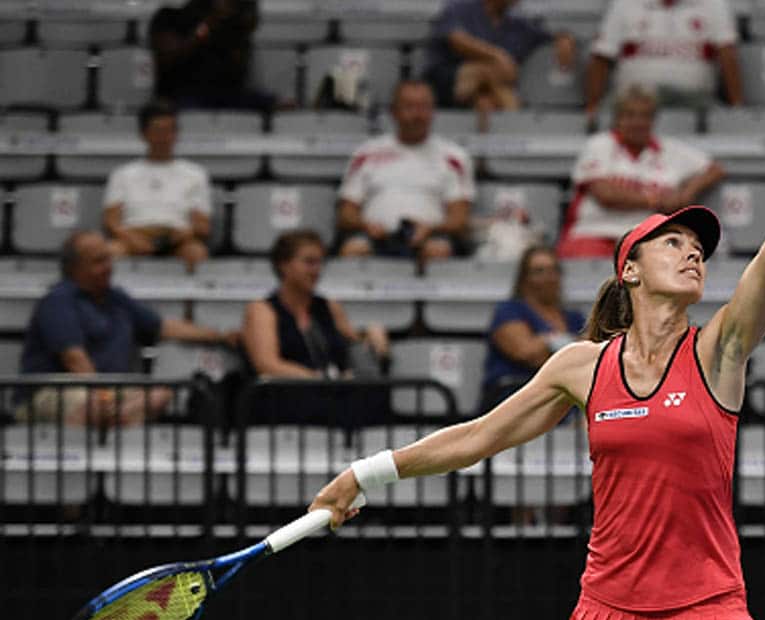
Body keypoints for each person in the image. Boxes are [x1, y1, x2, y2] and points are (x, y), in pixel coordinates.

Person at [309, 98, 765, 620]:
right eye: (672, 243)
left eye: (698, 249)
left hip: (708, 609)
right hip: (606, 611)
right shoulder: (582, 367)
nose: (692, 253)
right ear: (630, 270)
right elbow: (478, 438)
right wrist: (366, 475)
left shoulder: (717, 349)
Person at [18, 231, 237, 426]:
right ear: (76, 268)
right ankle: (95, 451)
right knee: (93, 405)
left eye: (109, 259)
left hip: (111, 389)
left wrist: (219, 335)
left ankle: (113, 434)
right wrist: (104, 395)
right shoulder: (58, 300)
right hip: (55, 388)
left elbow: (163, 327)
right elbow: (74, 360)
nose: (108, 267)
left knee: (159, 395)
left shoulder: (116, 297)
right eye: (99, 261)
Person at [241, 230, 391, 425]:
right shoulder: (262, 310)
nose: (316, 270)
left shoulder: (329, 306)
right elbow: (267, 364)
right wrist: (320, 379)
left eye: (320, 262)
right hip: (286, 400)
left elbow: (351, 341)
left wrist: (371, 335)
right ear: (284, 265)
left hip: (330, 398)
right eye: (309, 262)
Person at [558, 85, 724, 260]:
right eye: (630, 115)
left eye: (644, 116)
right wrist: (658, 200)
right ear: (617, 118)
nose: (638, 122)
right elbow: (605, 195)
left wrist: (686, 194)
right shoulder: (599, 145)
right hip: (595, 233)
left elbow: (715, 169)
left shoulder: (670, 150)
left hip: (648, 239)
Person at [337, 81, 476, 264]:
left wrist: (430, 228)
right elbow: (346, 213)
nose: (418, 114)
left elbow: (459, 219)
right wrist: (366, 226)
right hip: (375, 237)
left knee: (438, 251)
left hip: (431, 237)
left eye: (424, 107)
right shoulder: (366, 153)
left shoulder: (454, 157)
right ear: (393, 112)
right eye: (410, 107)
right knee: (353, 250)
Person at [584, 0, 743, 121]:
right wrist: (592, 107)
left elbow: (727, 56)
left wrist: (736, 107)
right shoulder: (625, 4)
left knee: (725, 121)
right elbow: (601, 56)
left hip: (695, 99)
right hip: (633, 99)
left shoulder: (713, 4)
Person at [103, 101, 212, 271]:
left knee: (197, 253)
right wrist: (133, 239)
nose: (163, 138)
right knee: (110, 252)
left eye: (169, 131)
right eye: (157, 131)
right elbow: (112, 221)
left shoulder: (195, 174)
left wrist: (179, 237)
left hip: (178, 239)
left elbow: (202, 225)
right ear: (143, 134)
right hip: (133, 237)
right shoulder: (122, 174)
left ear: (176, 134)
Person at [423, 0, 575, 119]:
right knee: (486, 73)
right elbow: (456, 39)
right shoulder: (460, 7)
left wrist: (563, 38)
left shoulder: (518, 23)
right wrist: (497, 57)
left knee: (487, 103)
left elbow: (549, 36)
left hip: (488, 93)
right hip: (447, 83)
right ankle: (516, 118)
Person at [483, 246, 586, 409]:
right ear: (524, 278)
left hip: (562, 404)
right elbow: (524, 351)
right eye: (539, 271)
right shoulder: (509, 310)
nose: (548, 277)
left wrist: (543, 345)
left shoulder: (574, 318)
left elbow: (586, 359)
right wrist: (558, 342)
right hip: (513, 403)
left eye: (553, 270)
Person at [148, 0, 276, 111]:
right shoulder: (170, 17)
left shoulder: (234, 27)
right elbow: (169, 58)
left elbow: (238, 73)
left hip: (227, 96)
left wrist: (236, 31)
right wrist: (203, 30)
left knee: (274, 104)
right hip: (184, 95)